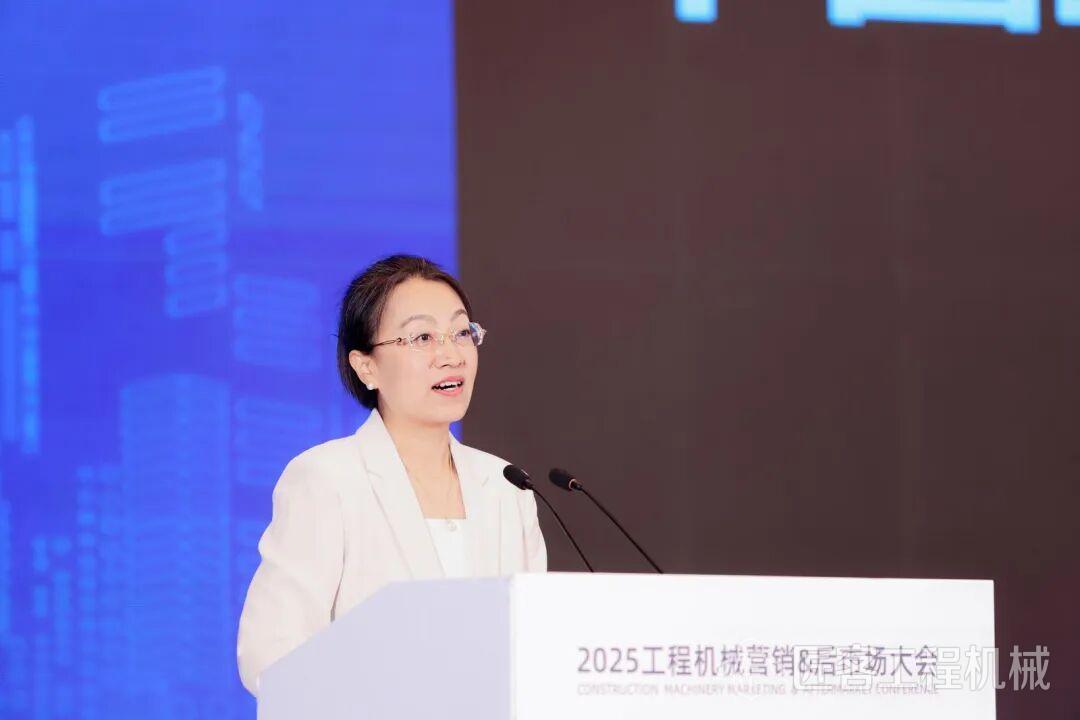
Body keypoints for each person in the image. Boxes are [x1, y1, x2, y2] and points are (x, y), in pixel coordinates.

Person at [236, 255, 547, 696]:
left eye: (462, 333)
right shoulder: (326, 479)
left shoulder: (506, 485)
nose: (450, 355)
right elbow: (268, 654)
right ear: (366, 366)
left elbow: (535, 644)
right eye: (422, 337)